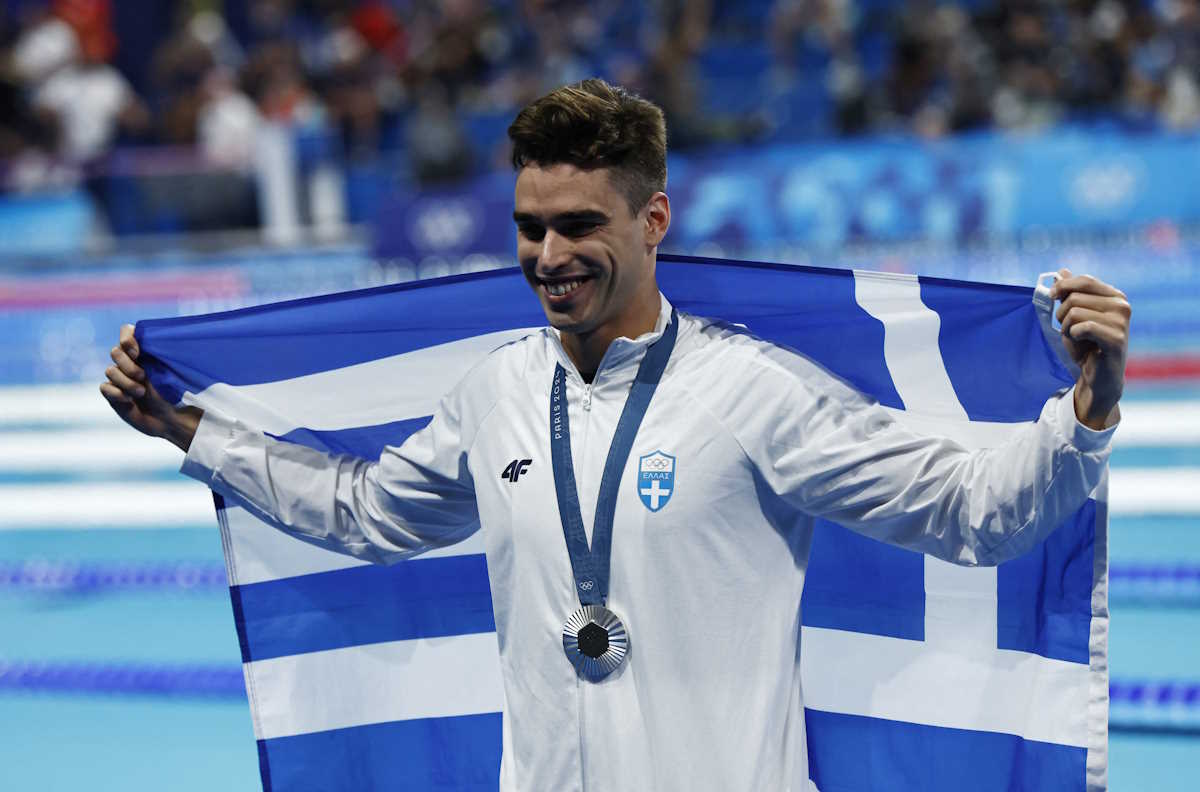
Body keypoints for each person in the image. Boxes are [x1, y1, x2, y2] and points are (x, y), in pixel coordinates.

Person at [101, 79, 1130, 791]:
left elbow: (967, 514)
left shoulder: (752, 391)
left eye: (580, 225)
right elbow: (368, 511)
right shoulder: (494, 391)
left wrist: (1085, 412)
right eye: (529, 226)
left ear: (654, 221)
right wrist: (192, 430)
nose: (549, 255)